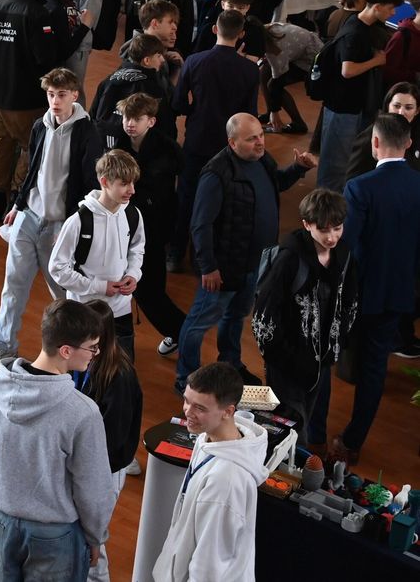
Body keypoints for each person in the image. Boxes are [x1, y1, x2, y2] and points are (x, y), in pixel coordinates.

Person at [0, 300, 114, 582]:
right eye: (92, 347)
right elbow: (93, 487)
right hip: (54, 536)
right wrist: (95, 536)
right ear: (66, 351)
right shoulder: (83, 411)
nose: (96, 353)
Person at [176, 113, 315, 393]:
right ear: (233, 142)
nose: (260, 142)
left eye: (261, 135)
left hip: (255, 264)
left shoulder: (261, 159)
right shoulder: (216, 174)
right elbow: (200, 224)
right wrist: (208, 267)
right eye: (252, 139)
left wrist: (298, 168)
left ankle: (230, 365)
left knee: (235, 316)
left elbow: (277, 182)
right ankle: (186, 378)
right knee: (198, 323)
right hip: (223, 268)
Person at [0, 68, 97, 370]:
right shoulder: (40, 125)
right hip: (29, 217)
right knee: (13, 285)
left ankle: (81, 348)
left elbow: (88, 184)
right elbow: (32, 168)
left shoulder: (87, 131)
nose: (55, 101)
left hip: (60, 224)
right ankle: (3, 348)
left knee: (62, 293)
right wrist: (18, 205)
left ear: (74, 94)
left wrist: (72, 227)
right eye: (50, 95)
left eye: (61, 95)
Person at [336, 113, 420, 463]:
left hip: (358, 294)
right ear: (409, 144)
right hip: (400, 293)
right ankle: (353, 441)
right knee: (374, 369)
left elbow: (345, 243)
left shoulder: (360, 187)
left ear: (374, 143)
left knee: (326, 353)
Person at [251, 188, 357, 453]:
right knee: (289, 422)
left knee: (306, 416)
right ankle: (285, 474)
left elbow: (350, 300)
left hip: (321, 360)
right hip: (288, 363)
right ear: (307, 225)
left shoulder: (343, 254)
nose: (332, 237)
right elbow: (263, 319)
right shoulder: (289, 259)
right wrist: (288, 358)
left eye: (338, 228)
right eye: (324, 230)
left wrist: (338, 341)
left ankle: (297, 467)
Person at [152, 362, 267, 582]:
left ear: (228, 412)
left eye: (200, 408)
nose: (188, 412)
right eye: (187, 400)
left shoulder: (226, 480)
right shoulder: (209, 438)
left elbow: (210, 565)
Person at [94, 94, 185, 355]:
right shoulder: (119, 145)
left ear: (151, 121)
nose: (129, 123)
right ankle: (179, 331)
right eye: (126, 118)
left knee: (149, 290)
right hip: (123, 227)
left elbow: (166, 191)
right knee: (138, 288)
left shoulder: (165, 150)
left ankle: (182, 332)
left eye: (136, 119)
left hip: (153, 229)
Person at [170, 9, 257, 271]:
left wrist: (193, 111)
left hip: (197, 138)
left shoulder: (195, 61)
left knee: (186, 196)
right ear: (241, 34)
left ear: (214, 29)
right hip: (228, 145)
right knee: (218, 202)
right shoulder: (250, 70)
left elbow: (177, 104)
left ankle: (175, 253)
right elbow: (249, 115)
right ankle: (203, 259)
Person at [0, 0, 61, 222]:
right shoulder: (39, 14)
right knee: (30, 146)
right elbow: (46, 57)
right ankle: (15, 200)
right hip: (26, 98)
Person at [49, 150, 145, 361]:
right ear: (104, 181)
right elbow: (57, 268)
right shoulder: (78, 221)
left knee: (124, 369)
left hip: (121, 310)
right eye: (124, 183)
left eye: (132, 183)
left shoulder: (132, 214)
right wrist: (100, 286)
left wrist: (133, 274)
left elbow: (137, 248)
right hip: (86, 311)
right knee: (86, 373)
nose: (132, 190)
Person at [74, 299, 143, 580]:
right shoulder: (83, 361)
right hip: (86, 464)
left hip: (106, 469)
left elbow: (113, 440)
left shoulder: (119, 376)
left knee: (93, 539)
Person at [319, 0, 401, 191]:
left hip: (352, 104)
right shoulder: (355, 30)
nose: (393, 14)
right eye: (391, 8)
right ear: (378, 6)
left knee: (343, 160)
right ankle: (324, 212)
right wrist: (377, 60)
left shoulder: (361, 24)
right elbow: (348, 70)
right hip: (342, 106)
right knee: (335, 163)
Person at [92, 33, 170, 130]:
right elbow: (163, 123)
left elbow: (93, 114)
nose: (162, 59)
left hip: (102, 138)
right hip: (132, 141)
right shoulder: (151, 88)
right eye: (158, 55)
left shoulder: (109, 79)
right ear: (147, 60)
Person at [346, 81, 420, 181]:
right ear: (387, 106)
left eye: (408, 107)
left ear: (417, 111)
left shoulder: (416, 134)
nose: (401, 112)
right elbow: (353, 181)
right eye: (396, 106)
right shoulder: (370, 136)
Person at [261, 20, 322, 134]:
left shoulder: (275, 47)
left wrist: (275, 111)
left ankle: (298, 123)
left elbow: (278, 81)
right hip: (299, 53)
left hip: (311, 60)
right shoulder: (265, 30)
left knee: (272, 84)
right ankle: (269, 113)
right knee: (264, 72)